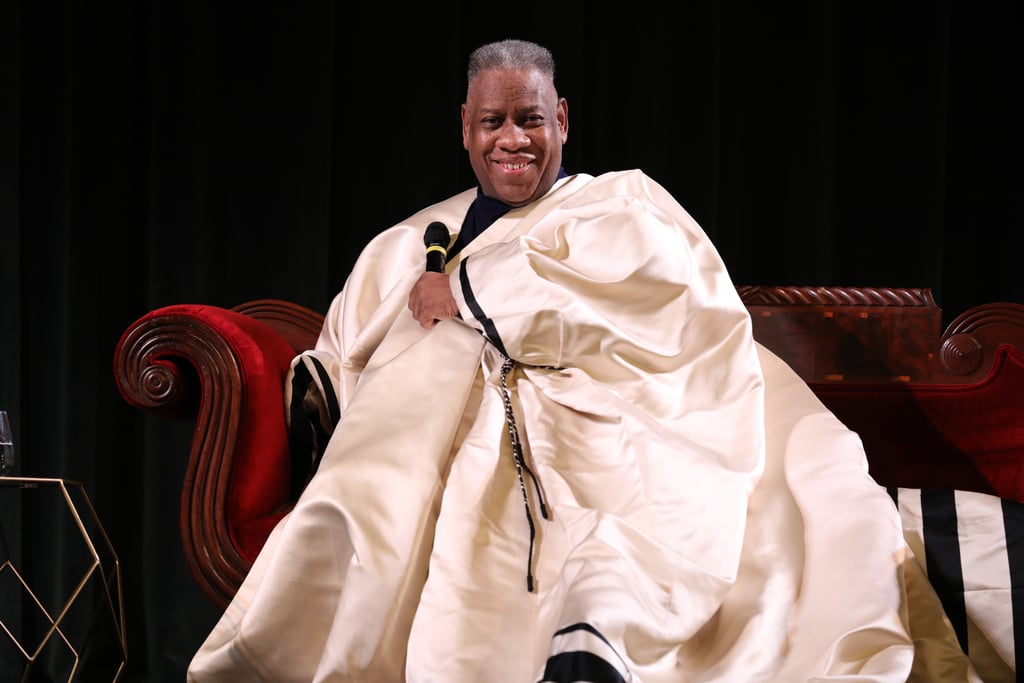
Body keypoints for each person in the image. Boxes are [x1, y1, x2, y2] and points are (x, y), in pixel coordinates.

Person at [188, 39, 975, 682]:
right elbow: (341, 352)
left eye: (530, 118)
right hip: (459, 442)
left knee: (721, 525)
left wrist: (469, 296)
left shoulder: (620, 206)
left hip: (620, 419)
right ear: (464, 127)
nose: (512, 140)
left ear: (561, 117)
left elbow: (666, 308)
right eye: (492, 121)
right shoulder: (411, 239)